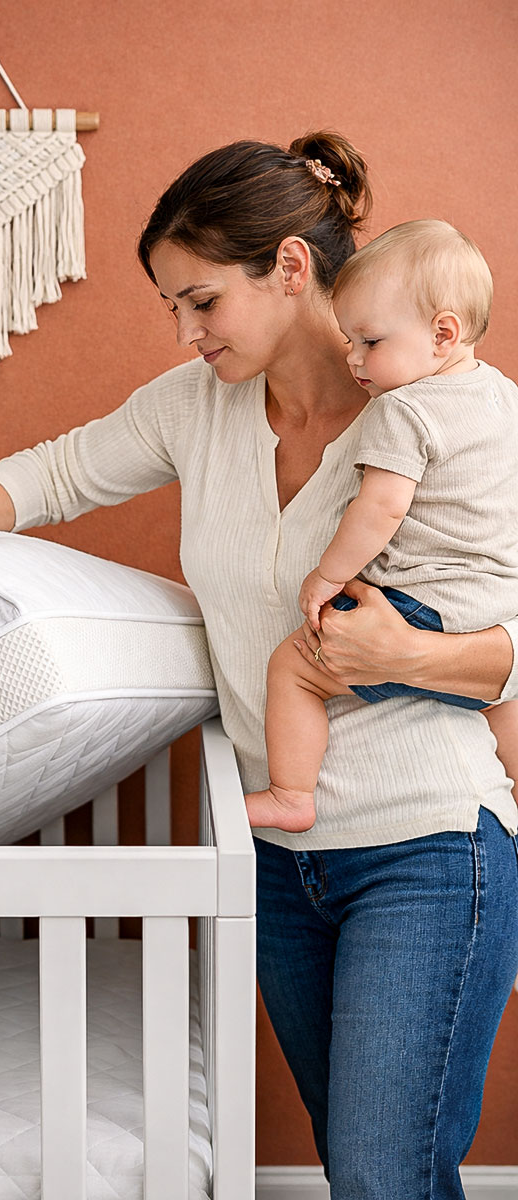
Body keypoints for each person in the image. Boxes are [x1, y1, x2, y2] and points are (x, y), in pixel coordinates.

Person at [0, 133, 518, 1200]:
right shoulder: (195, 413)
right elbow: (60, 470)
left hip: (428, 844)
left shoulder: (451, 411)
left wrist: (410, 653)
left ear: (291, 270)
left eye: (201, 301)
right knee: (365, 1169)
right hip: (276, 858)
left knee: (378, 1175)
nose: (184, 334)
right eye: (171, 307)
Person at [245, 219, 518, 833]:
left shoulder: (403, 409)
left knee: (291, 668)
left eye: (369, 342)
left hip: (420, 603)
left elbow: (381, 508)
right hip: (493, 608)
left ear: (442, 334)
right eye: (349, 340)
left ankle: (291, 794)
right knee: (502, 701)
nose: (353, 359)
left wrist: (326, 574)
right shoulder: (503, 396)